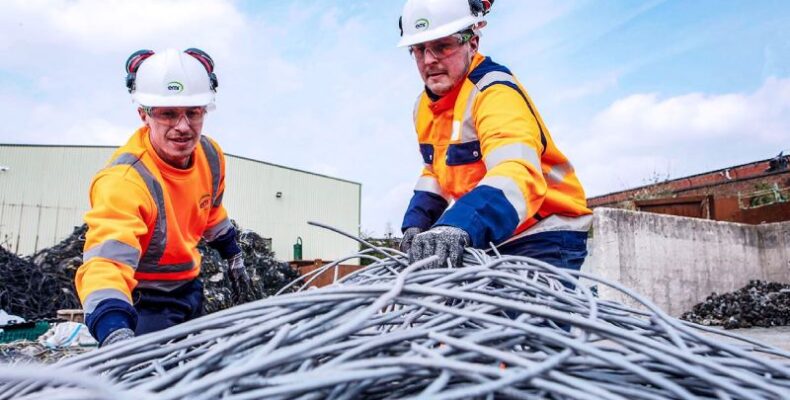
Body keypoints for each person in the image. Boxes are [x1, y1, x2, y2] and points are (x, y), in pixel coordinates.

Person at [398, 0, 593, 272]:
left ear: (472, 43)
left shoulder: (494, 92)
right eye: (419, 50)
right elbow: (435, 172)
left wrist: (457, 223)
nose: (429, 60)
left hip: (543, 229)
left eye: (442, 46)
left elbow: (517, 171)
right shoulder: (424, 107)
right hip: (492, 231)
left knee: (516, 314)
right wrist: (417, 222)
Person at [75, 48, 251, 347]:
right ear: (144, 114)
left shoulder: (210, 155)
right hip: (147, 303)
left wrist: (232, 253)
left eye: (193, 112)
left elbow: (209, 210)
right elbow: (106, 264)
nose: (183, 127)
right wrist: (114, 329)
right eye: (168, 114)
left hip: (190, 289)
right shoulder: (124, 180)